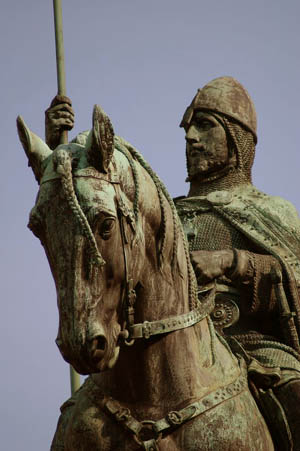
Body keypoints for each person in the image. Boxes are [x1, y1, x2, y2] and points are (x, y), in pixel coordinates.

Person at [45, 77, 300, 449]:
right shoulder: (163, 214)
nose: (191, 137)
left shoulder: (270, 211)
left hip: (254, 347)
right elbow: (91, 227)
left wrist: (233, 261)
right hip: (157, 358)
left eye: (205, 126)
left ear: (237, 138)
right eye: (188, 128)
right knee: (76, 419)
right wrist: (60, 155)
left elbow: (295, 280)